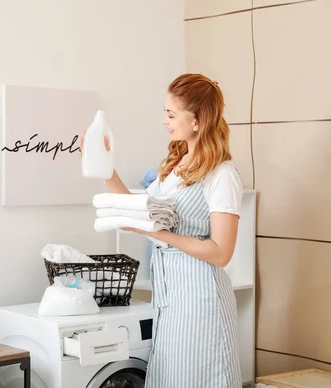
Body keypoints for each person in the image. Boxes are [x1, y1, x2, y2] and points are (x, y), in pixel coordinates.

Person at [82, 73, 243, 387]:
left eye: (171, 114)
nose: (164, 120)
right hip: (170, 299)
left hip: (201, 301)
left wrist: (159, 234)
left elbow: (221, 252)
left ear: (197, 120)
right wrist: (104, 165)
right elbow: (135, 208)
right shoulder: (174, 165)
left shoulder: (222, 175)